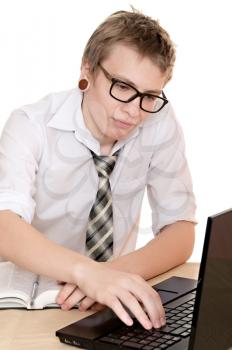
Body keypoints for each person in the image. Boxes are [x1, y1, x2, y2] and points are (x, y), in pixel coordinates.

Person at [0, 8, 196, 330]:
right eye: (121, 86)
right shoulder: (30, 125)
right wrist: (86, 273)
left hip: (107, 301)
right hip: (31, 305)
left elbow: (180, 229)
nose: (133, 110)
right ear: (87, 69)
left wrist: (113, 274)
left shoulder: (159, 120)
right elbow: (5, 225)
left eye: (149, 96)